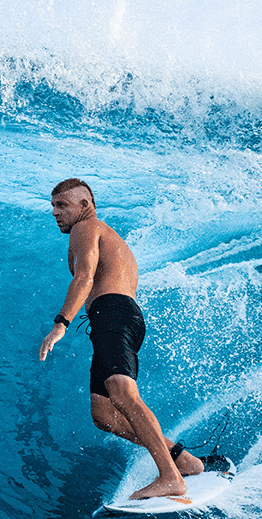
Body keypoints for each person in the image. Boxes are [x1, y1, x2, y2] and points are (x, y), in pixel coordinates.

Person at [38, 178, 205, 499]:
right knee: (104, 414)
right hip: (117, 316)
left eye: (62, 205)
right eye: (53, 206)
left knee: (123, 393)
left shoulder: (86, 228)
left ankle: (170, 477)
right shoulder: (107, 236)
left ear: (84, 206)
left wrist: (61, 323)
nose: (55, 212)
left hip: (112, 314)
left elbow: (85, 276)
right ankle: (184, 462)